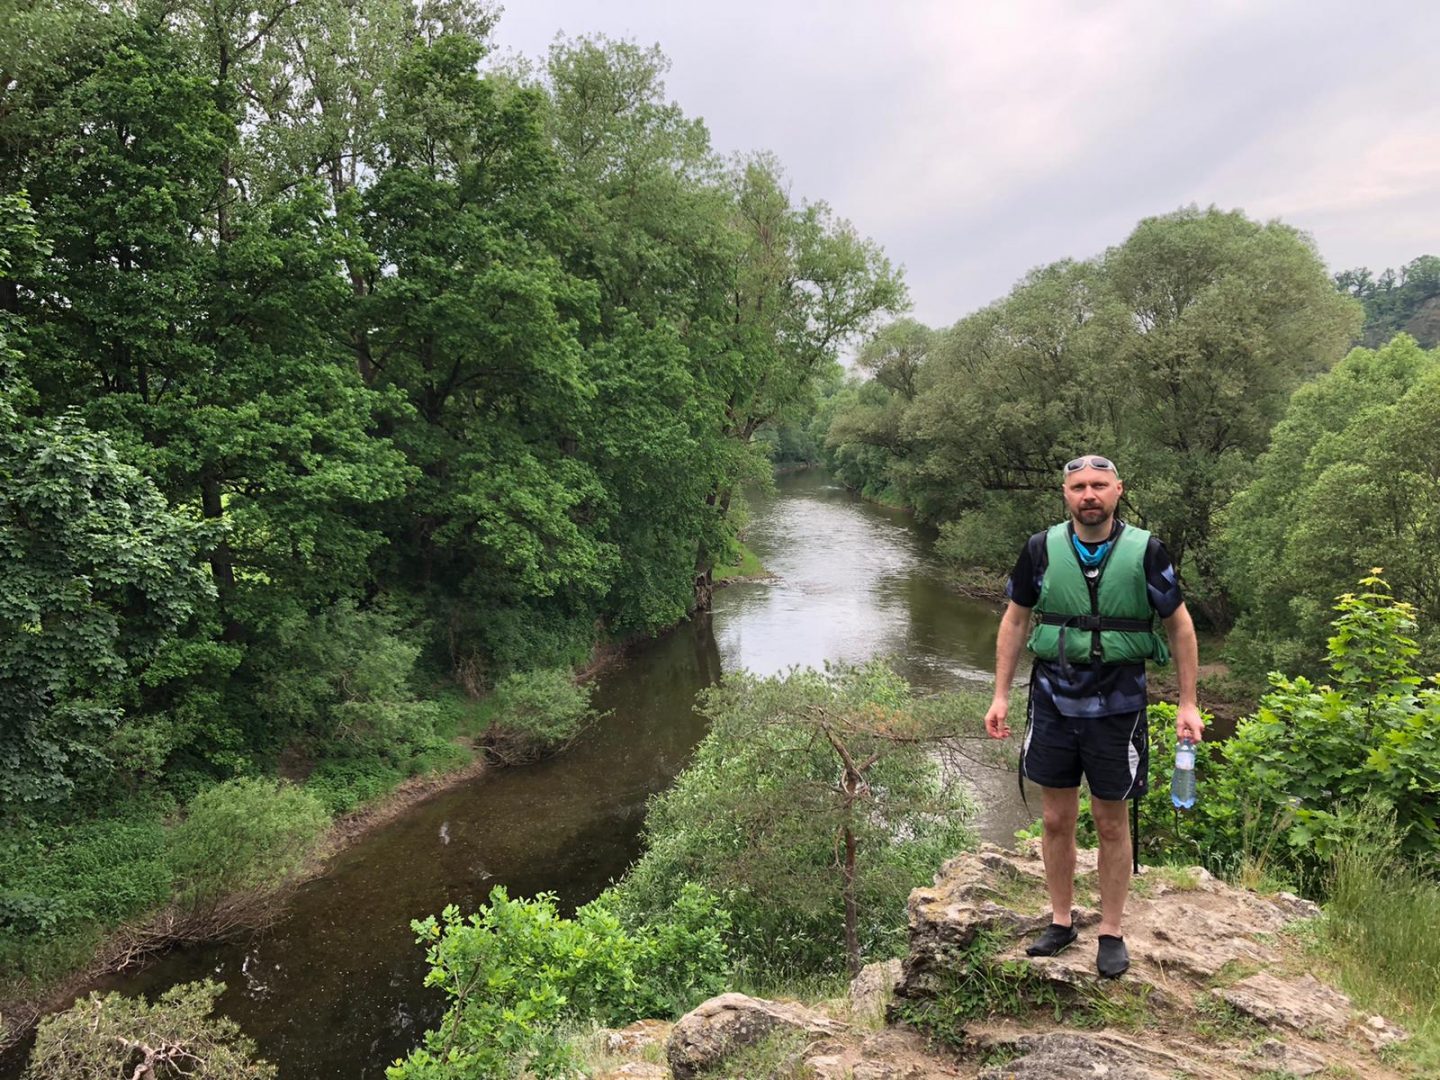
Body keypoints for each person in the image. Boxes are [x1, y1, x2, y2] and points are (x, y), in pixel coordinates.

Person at [984, 455, 1203, 978]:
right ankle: (1061, 921)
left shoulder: (1146, 550)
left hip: (1119, 705)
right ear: (1065, 493)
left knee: (1110, 820)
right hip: (1053, 700)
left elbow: (1180, 627)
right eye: (1079, 486)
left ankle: (1111, 930)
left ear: (1117, 490)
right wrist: (1000, 695)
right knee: (1056, 818)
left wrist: (1188, 702)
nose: (1089, 495)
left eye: (1099, 485)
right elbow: (1015, 621)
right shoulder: (1040, 549)